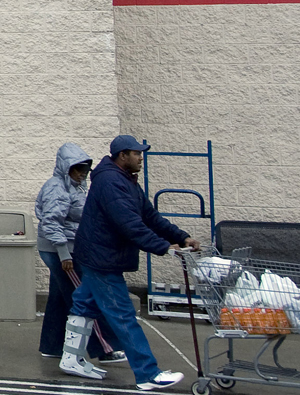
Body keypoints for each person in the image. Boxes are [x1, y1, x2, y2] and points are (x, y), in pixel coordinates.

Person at [60, 135, 198, 389]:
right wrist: (164, 247)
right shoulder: (112, 182)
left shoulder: (125, 181)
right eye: (136, 153)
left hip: (97, 256)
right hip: (103, 259)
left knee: (84, 305)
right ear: (122, 156)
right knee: (123, 315)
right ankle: (147, 374)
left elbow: (149, 216)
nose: (141, 158)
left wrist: (181, 236)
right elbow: (129, 224)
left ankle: (70, 359)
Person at [36, 142, 122, 364]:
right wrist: (64, 254)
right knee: (85, 296)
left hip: (62, 248)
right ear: (66, 167)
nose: (82, 175)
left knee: (60, 297)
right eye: (77, 169)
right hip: (61, 251)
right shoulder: (57, 188)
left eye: (85, 170)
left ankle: (51, 346)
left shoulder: (71, 187)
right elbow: (51, 222)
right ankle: (105, 348)